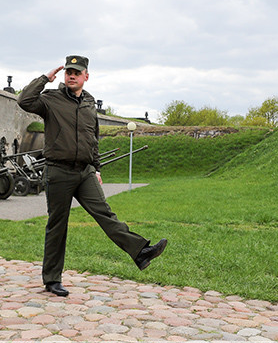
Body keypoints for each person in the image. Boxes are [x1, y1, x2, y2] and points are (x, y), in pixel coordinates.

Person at [17, 56, 167, 297]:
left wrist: (96, 168)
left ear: (86, 76)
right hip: (59, 170)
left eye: (77, 72)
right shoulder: (50, 100)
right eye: (68, 72)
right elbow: (24, 101)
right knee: (57, 225)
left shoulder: (88, 103)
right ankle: (52, 279)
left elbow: (92, 137)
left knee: (105, 213)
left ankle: (140, 252)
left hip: (85, 171)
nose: (71, 76)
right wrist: (45, 79)